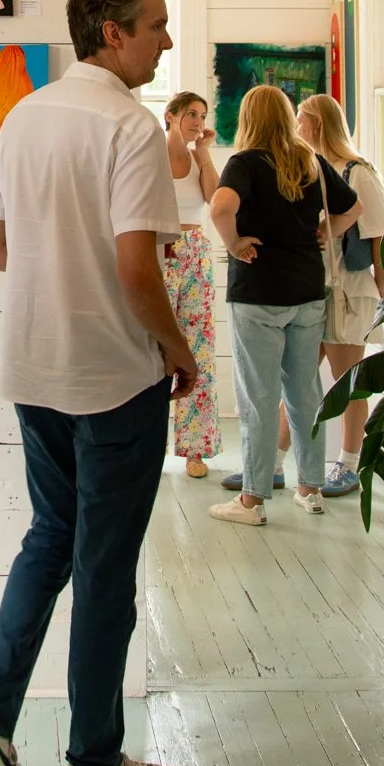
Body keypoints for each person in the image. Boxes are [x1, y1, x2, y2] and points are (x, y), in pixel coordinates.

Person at [0, 0, 197, 766]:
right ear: (113, 33)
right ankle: (95, 762)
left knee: (49, 538)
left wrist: (58, 266)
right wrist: (180, 348)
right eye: (156, 24)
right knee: (102, 566)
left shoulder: (24, 116)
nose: (166, 39)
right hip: (115, 377)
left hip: (34, 369)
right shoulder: (129, 127)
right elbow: (136, 268)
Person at [207, 83, 364, 526]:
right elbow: (353, 207)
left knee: (259, 398)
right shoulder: (308, 160)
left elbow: (221, 207)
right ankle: (310, 489)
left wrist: (234, 243)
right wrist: (326, 232)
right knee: (304, 394)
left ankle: (252, 501)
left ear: (248, 118)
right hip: (306, 292)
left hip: (259, 293)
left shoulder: (245, 163)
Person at [297, 93, 384, 498]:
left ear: (317, 123)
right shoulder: (311, 168)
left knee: (346, 381)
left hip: (350, 291)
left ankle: (349, 464)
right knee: (297, 377)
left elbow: (379, 234)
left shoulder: (358, 173)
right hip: (314, 288)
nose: (297, 126)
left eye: (301, 119)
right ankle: (275, 460)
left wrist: (381, 284)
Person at [162, 90, 224, 478]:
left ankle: (196, 449)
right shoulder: (150, 151)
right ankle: (148, 444)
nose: (197, 121)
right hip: (160, 251)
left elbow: (214, 199)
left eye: (201, 115)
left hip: (197, 253)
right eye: (190, 114)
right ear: (170, 116)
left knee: (198, 347)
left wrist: (203, 155)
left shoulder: (198, 157)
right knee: (152, 348)